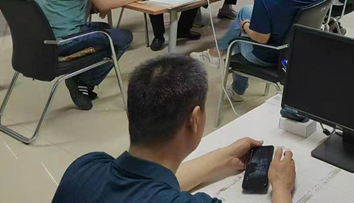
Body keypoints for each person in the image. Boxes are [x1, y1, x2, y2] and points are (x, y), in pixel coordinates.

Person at [52, 55, 296, 203]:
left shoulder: (84, 167)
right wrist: (281, 187)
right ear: (195, 119)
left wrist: (225, 158)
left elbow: (146, 184)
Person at [191, 0, 322, 102]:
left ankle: (237, 89)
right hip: (298, 50)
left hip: (269, 56)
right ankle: (216, 53)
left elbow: (261, 38)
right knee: (246, 10)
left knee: (239, 37)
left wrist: (245, 26)